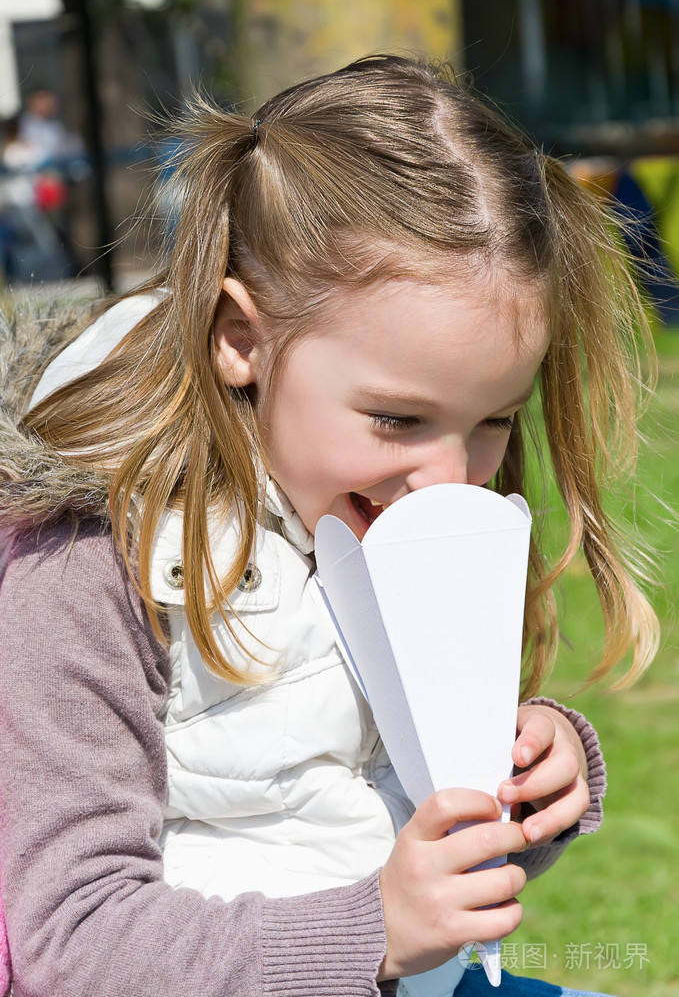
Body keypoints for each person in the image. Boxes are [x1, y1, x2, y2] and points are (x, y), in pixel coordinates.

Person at [0, 55, 659, 997]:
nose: (446, 476)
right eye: (396, 418)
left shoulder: (386, 522)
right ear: (241, 338)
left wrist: (529, 782)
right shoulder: (91, 556)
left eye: (493, 420)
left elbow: (408, 833)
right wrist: (373, 931)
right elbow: (72, 936)